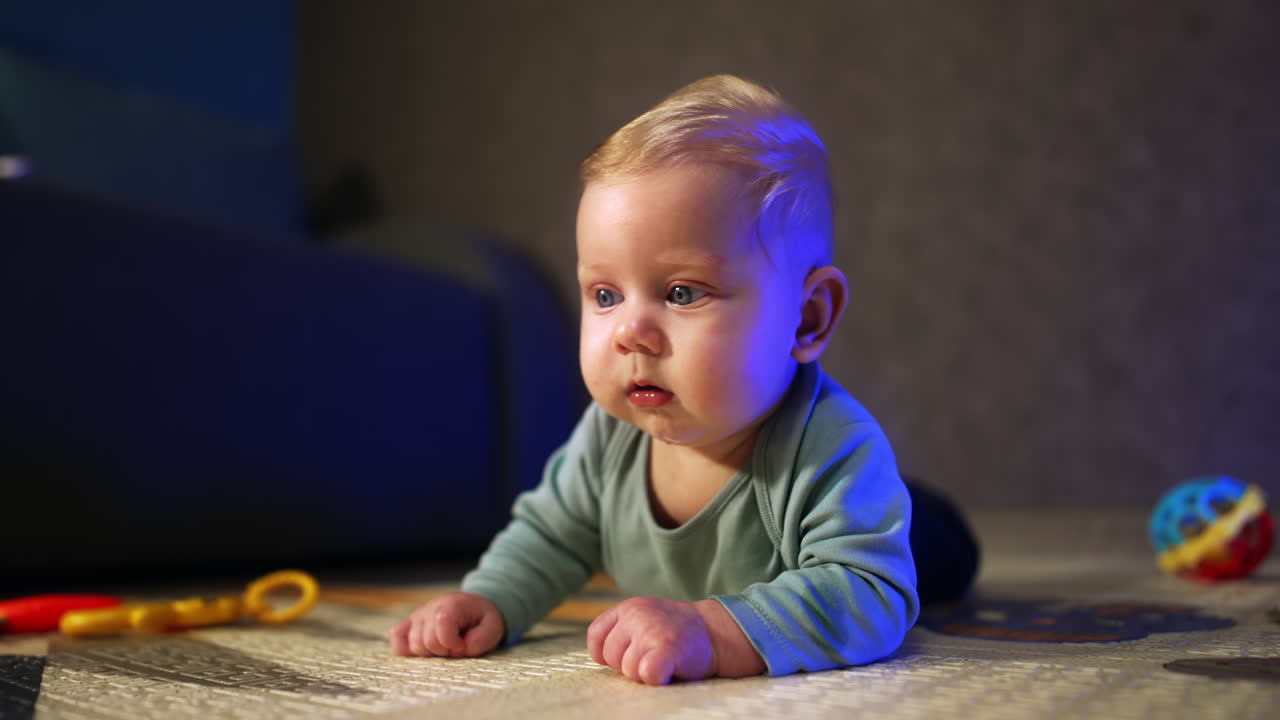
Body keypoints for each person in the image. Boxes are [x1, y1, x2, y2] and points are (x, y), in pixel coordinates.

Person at [390, 74, 966, 685]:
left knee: (940, 551)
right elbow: (551, 535)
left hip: (899, 526)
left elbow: (869, 596)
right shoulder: (608, 438)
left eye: (682, 292)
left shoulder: (833, 448)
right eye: (605, 294)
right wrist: (491, 600)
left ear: (808, 316)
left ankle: (915, 508)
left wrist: (714, 631)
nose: (629, 332)